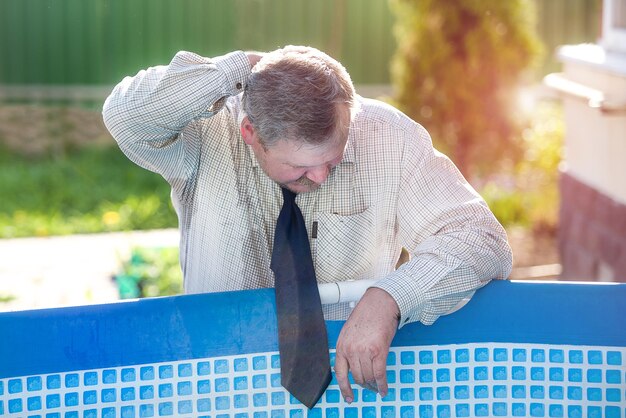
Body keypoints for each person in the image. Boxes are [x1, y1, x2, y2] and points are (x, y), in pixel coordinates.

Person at [103, 45, 512, 403]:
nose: (319, 177)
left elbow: (482, 239)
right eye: (300, 166)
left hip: (351, 382)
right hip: (220, 379)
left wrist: (391, 297)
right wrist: (240, 68)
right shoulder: (206, 132)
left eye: (333, 159)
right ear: (250, 131)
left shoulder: (391, 137)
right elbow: (125, 115)